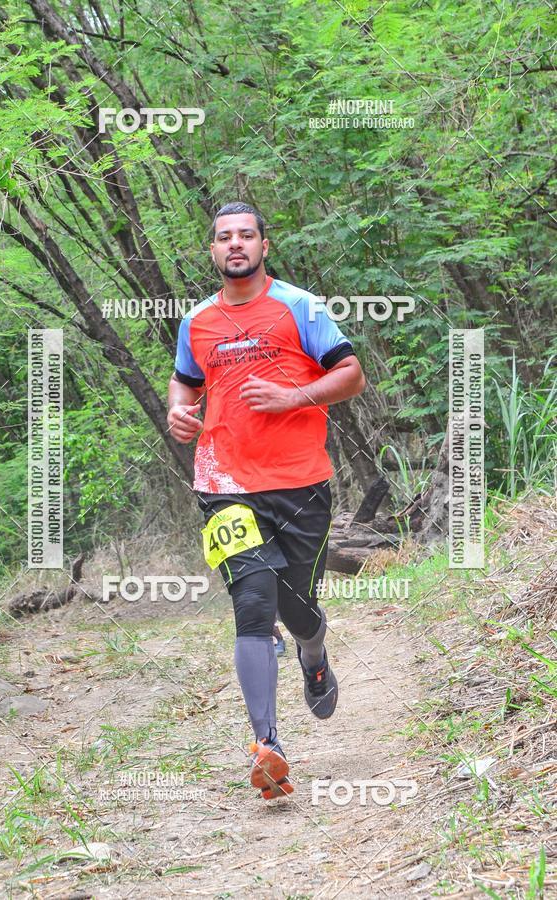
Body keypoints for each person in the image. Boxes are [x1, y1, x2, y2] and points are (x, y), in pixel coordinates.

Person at [167, 202, 365, 800]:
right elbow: (186, 381)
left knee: (296, 609)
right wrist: (178, 410)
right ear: (212, 250)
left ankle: (313, 649)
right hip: (223, 483)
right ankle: (268, 746)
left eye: (246, 235)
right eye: (224, 237)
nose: (235, 244)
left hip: (300, 483)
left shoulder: (301, 307)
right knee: (252, 606)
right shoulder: (196, 321)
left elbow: (351, 375)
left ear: (263, 246)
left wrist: (293, 397)